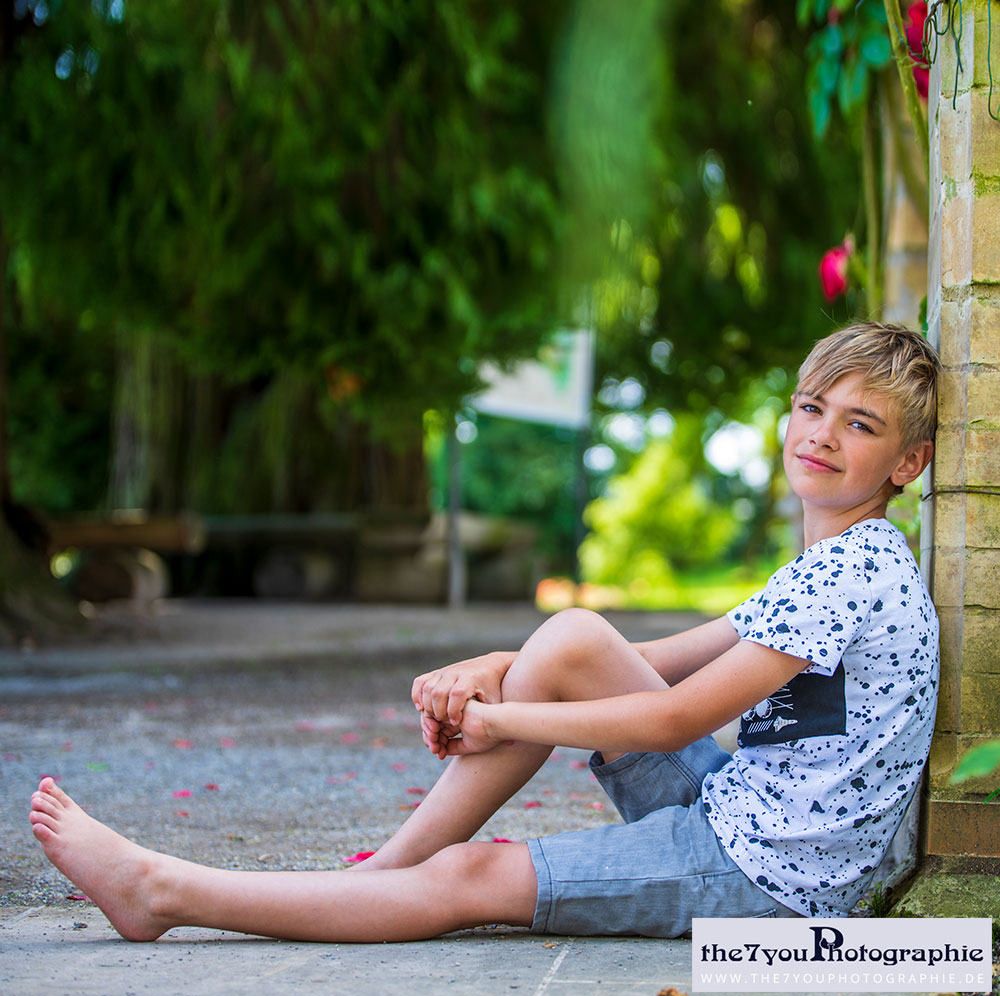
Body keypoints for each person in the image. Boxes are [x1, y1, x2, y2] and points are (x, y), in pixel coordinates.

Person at [29, 321, 940, 942]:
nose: (821, 433)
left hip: (770, 882)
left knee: (472, 878)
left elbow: (667, 721)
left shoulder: (853, 573)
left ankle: (161, 893)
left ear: (908, 461)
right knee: (575, 635)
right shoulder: (840, 559)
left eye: (858, 424)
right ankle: (380, 872)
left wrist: (502, 721)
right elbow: (656, 662)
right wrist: (499, 666)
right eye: (812, 407)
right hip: (744, 813)